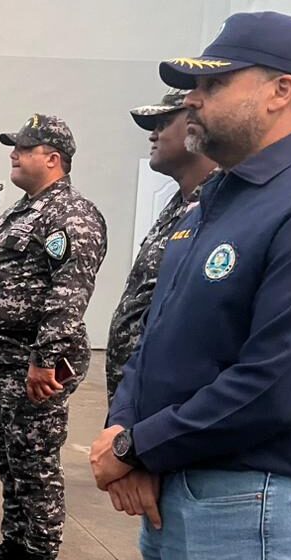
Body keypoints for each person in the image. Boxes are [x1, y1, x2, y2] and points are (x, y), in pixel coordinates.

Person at [93, 12, 291, 560]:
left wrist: (138, 446)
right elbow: (156, 333)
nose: (192, 98)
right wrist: (125, 428)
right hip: (187, 489)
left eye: (214, 84)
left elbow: (280, 383)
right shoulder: (215, 201)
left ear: (282, 91)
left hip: (261, 502)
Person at [0, 114, 106, 560]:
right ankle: (16, 545)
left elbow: (68, 294)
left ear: (53, 158)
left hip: (34, 370)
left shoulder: (72, 215)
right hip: (1, 364)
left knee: (36, 465)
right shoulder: (23, 212)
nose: (13, 156)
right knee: (8, 459)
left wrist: (45, 360)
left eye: (23, 149)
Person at [105, 90, 216, 400]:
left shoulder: (223, 205)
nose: (153, 135)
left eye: (164, 123)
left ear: (197, 125)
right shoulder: (178, 204)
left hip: (174, 401)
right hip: (134, 393)